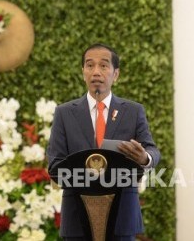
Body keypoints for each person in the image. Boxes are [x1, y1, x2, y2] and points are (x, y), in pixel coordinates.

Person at [47, 43, 161, 240]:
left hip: (122, 215)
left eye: (103, 66)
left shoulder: (133, 111)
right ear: (83, 72)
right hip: (77, 216)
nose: (96, 72)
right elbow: (55, 165)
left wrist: (144, 158)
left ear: (115, 74)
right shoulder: (64, 113)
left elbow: (152, 151)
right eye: (90, 66)